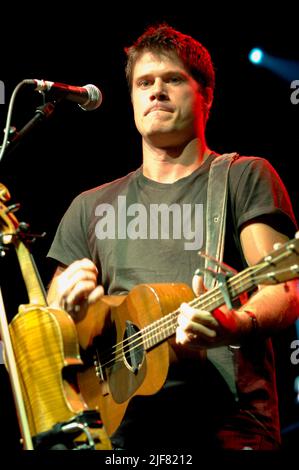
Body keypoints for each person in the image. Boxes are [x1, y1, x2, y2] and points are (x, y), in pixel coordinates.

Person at [46, 23, 299, 450]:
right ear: (132, 99)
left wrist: (238, 323)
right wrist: (62, 306)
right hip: (121, 434)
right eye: (145, 82)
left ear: (207, 96)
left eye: (173, 80)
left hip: (226, 428)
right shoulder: (89, 206)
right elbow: (52, 323)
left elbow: (285, 287)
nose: (156, 91)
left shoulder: (243, 177)